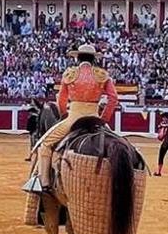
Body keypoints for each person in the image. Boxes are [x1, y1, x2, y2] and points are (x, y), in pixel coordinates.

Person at [26, 43, 118, 192]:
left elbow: (61, 100)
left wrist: (64, 116)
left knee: (45, 145)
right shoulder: (102, 75)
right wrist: (103, 119)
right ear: (94, 59)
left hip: (73, 119)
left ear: (78, 58)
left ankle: (44, 184)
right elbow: (113, 99)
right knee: (116, 141)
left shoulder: (70, 74)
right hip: (95, 119)